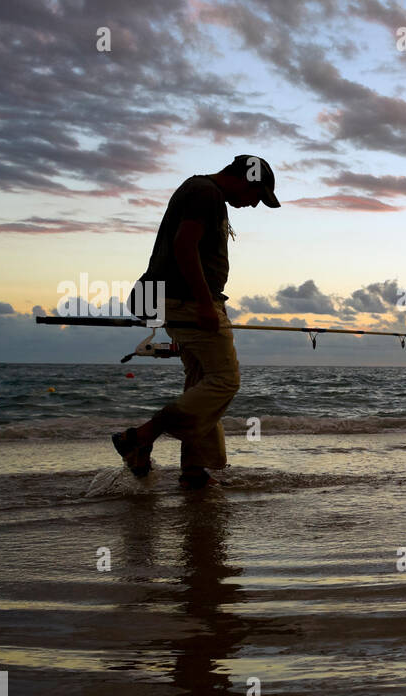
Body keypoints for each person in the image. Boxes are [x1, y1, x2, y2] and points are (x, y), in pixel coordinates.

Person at [112, 155, 280, 490]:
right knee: (224, 380)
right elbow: (185, 246)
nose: (253, 205)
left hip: (175, 299)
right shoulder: (206, 193)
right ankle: (140, 437)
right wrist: (205, 303)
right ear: (246, 180)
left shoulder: (201, 190)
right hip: (186, 300)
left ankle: (194, 469)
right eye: (257, 196)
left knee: (201, 381)